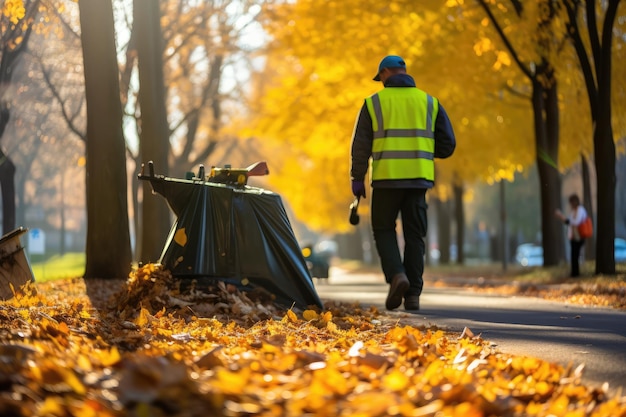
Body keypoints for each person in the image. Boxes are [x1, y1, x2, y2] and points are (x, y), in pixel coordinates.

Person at [350, 55, 456, 311]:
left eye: (380, 77)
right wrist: (424, 152)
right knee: (415, 236)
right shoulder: (429, 102)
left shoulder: (373, 103)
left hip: (386, 179)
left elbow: (361, 145)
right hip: (418, 180)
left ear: (386, 73)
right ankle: (413, 296)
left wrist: (357, 178)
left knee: (384, 229)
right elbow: (448, 144)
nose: (380, 82)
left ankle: (397, 275)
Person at [555, 194, 588, 277]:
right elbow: (569, 222)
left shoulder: (580, 210)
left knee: (576, 254)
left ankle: (576, 273)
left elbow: (575, 222)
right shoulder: (573, 211)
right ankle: (574, 273)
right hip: (573, 236)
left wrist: (562, 217)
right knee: (573, 255)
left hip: (579, 236)